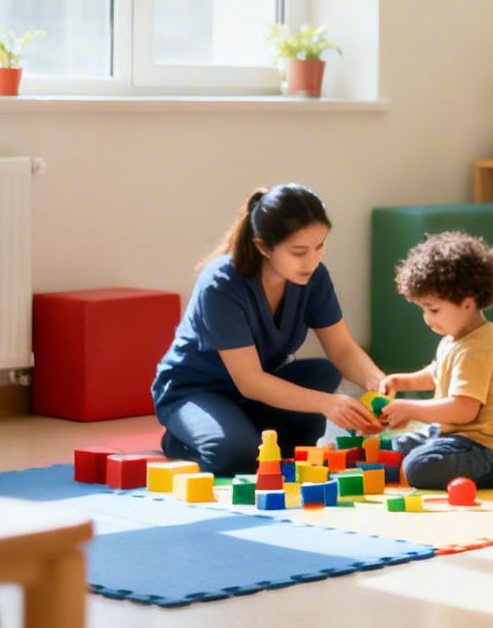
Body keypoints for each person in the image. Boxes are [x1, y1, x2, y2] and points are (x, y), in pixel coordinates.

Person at [152, 184, 386, 476]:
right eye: (299, 252)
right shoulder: (222, 282)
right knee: (234, 458)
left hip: (250, 395)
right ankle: (178, 440)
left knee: (322, 374)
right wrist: (329, 403)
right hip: (195, 392)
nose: (312, 261)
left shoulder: (313, 277)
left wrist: (380, 383)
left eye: (320, 246)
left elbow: (342, 349)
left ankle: (241, 428)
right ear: (263, 247)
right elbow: (249, 380)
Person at [376, 230, 493, 492]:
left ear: (467, 303)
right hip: (450, 434)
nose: (427, 319)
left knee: (418, 467)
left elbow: (463, 409)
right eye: (423, 309)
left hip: (481, 443)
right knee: (388, 450)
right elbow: (438, 373)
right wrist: (403, 381)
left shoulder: (477, 349)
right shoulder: (456, 337)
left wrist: (410, 409)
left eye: (433, 309)